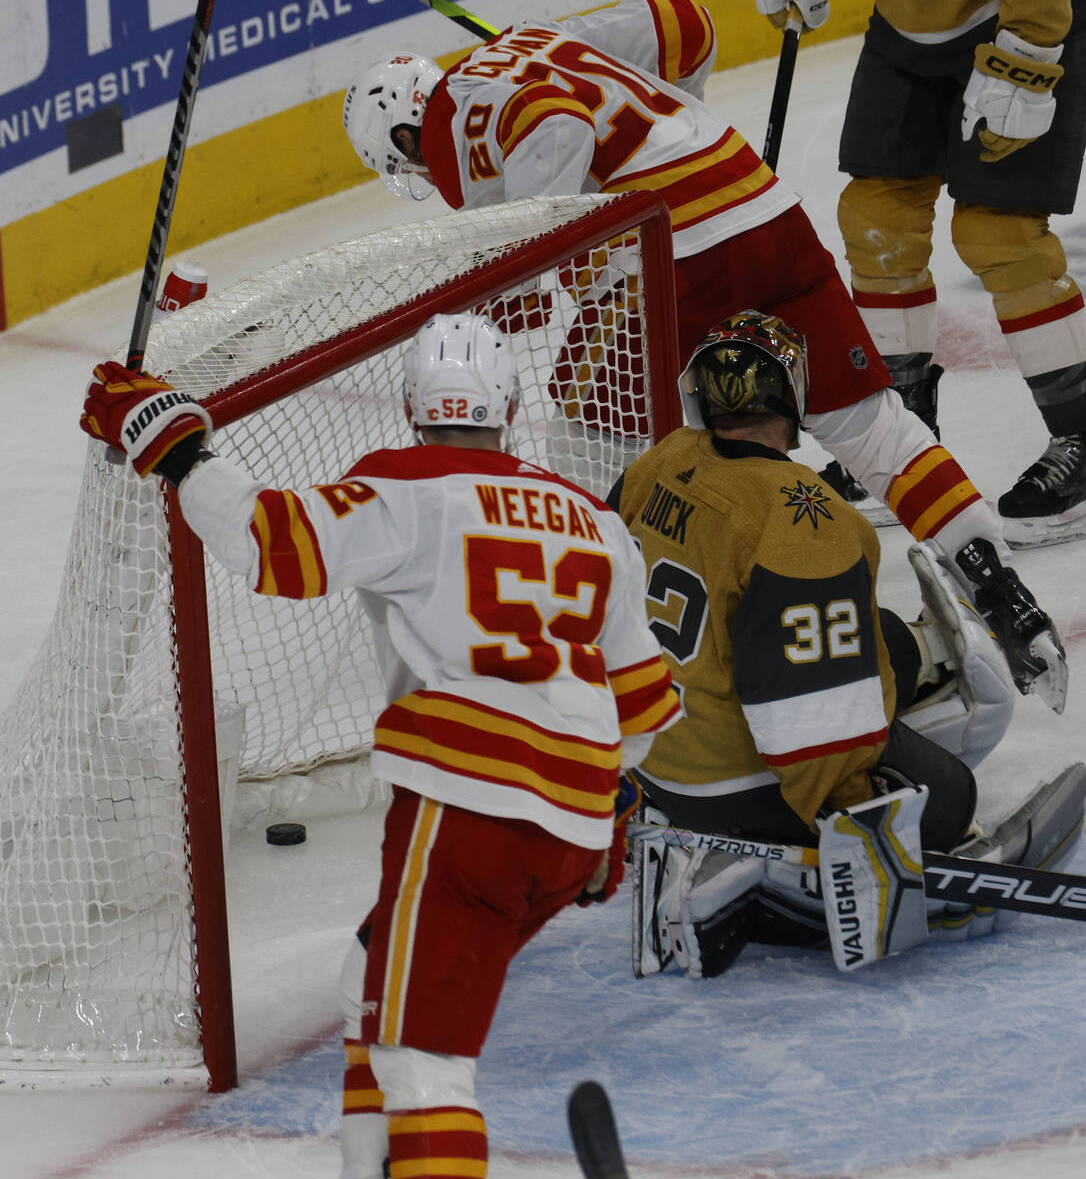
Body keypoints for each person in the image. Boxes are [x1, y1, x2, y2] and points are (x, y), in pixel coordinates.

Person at [341, 0, 1068, 714]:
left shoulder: (446, 129)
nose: (429, 178)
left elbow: (553, 131)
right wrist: (676, 128)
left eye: (413, 167)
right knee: (870, 426)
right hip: (759, 202)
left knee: (586, 443)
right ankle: (995, 583)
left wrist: (550, 251)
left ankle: (613, 656)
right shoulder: (530, 41)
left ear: (406, 137)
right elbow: (684, 23)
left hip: (674, 257)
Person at [78, 313, 682, 1179]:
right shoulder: (592, 520)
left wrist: (174, 446)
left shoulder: (405, 486)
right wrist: (606, 809)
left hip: (467, 804)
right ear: (508, 408)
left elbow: (267, 544)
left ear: (411, 408)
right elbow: (646, 710)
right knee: (371, 981)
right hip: (572, 823)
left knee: (422, 1059)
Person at [608, 310, 1086, 977]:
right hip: (724, 786)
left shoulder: (658, 460)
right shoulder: (805, 517)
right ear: (792, 394)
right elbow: (805, 715)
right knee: (950, 796)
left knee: (876, 633)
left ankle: (918, 660)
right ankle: (758, 883)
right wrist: (856, 819)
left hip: (648, 757)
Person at [752, 0, 1086, 548]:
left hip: (1017, 18)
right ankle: (902, 437)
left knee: (1000, 235)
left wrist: (1029, 48)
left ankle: (1080, 435)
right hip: (904, 27)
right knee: (877, 219)